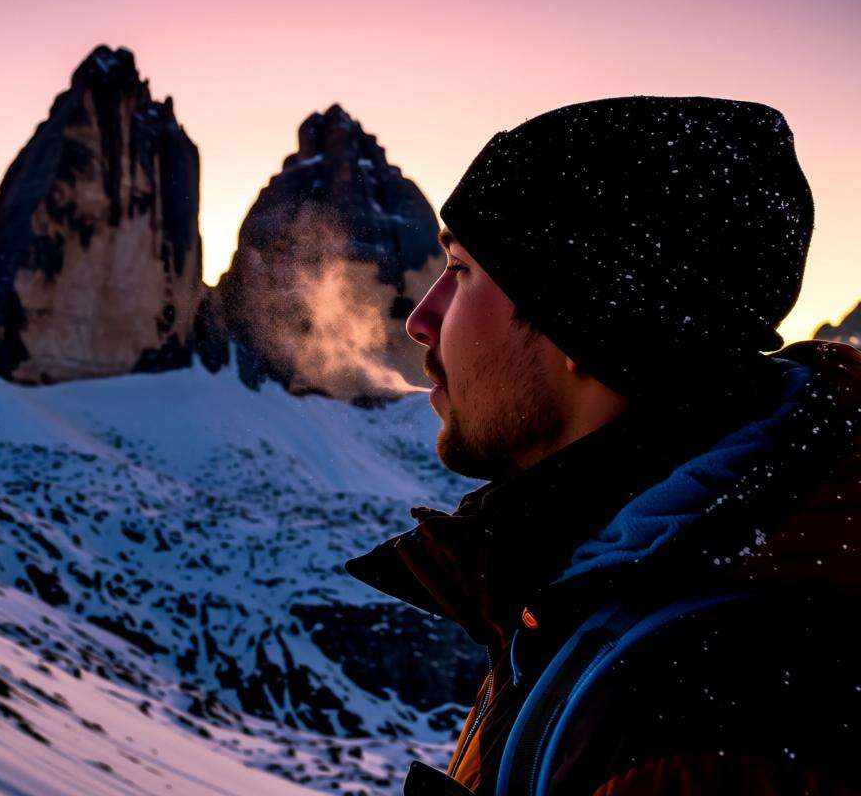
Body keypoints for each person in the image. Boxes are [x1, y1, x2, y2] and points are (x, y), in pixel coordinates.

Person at [346, 96, 861, 795]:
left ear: (583, 323)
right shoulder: (614, 574)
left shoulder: (697, 722)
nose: (420, 318)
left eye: (462, 270)